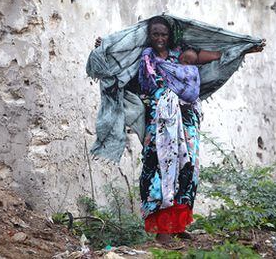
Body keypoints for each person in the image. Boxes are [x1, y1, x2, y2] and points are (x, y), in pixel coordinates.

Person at [93, 16, 265, 248]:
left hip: (187, 121)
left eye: (164, 34)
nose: (160, 39)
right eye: (155, 34)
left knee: (187, 168)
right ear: (149, 35)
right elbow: (117, 60)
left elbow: (217, 54)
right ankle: (162, 233)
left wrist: (245, 47)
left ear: (170, 36)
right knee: (160, 170)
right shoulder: (143, 57)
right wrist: (104, 47)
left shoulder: (182, 54)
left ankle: (177, 226)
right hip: (159, 123)